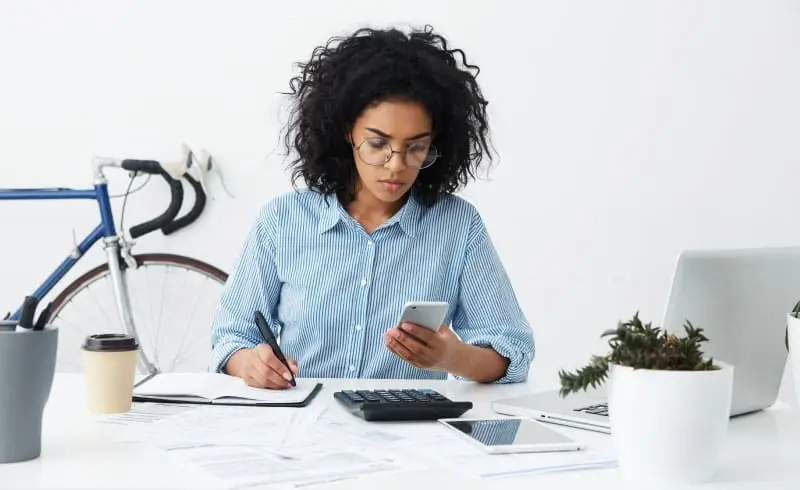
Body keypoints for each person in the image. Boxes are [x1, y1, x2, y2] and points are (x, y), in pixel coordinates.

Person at [209, 25, 534, 389]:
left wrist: (452, 357)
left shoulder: (457, 226)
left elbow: (513, 350)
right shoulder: (283, 221)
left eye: (416, 147)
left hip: (410, 435)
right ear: (347, 131)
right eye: (378, 144)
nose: (396, 165)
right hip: (302, 430)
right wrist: (249, 364)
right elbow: (230, 338)